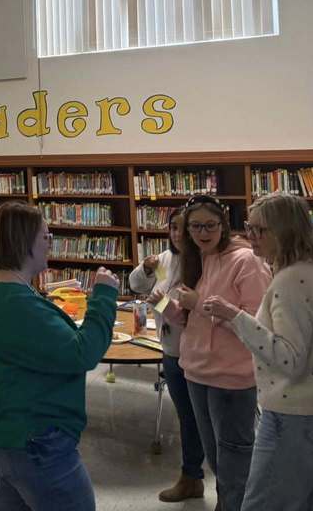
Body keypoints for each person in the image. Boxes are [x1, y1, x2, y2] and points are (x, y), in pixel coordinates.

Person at [203, 193, 313, 511]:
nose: (250, 237)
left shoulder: (291, 281)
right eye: (248, 227)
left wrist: (235, 315)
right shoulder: (309, 271)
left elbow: (289, 359)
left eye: (259, 230)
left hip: (296, 415)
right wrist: (238, 322)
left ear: (284, 232)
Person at [0, 202, 117, 511]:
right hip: (36, 438)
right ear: (24, 242)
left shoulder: (0, 288)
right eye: (45, 236)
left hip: (10, 431)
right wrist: (103, 296)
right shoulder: (15, 303)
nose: (50, 243)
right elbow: (83, 353)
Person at [164, 195, 271, 511]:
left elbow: (256, 324)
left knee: (235, 456)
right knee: (215, 456)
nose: (202, 232)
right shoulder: (197, 259)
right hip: (196, 371)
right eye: (195, 226)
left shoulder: (246, 261)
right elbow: (189, 320)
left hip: (232, 377)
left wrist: (198, 302)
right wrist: (162, 304)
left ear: (224, 224)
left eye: (210, 225)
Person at [128, 207, 206, 502]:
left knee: (197, 419)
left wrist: (160, 306)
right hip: (171, 350)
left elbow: (191, 315)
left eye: (183, 228)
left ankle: (195, 475)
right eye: (172, 227)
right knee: (187, 416)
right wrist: (146, 269)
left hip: (194, 351)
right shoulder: (166, 259)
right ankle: (191, 476)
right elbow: (139, 286)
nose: (177, 234)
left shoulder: (201, 263)